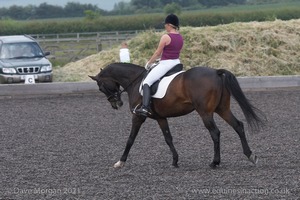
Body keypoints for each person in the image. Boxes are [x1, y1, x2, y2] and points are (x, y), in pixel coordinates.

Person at [135, 13, 184, 117]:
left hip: (166, 64)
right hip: (177, 63)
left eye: (165, 24)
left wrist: (149, 63)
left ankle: (145, 107)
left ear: (170, 25)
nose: (164, 26)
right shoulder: (180, 37)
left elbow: (158, 53)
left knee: (147, 82)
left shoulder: (166, 37)